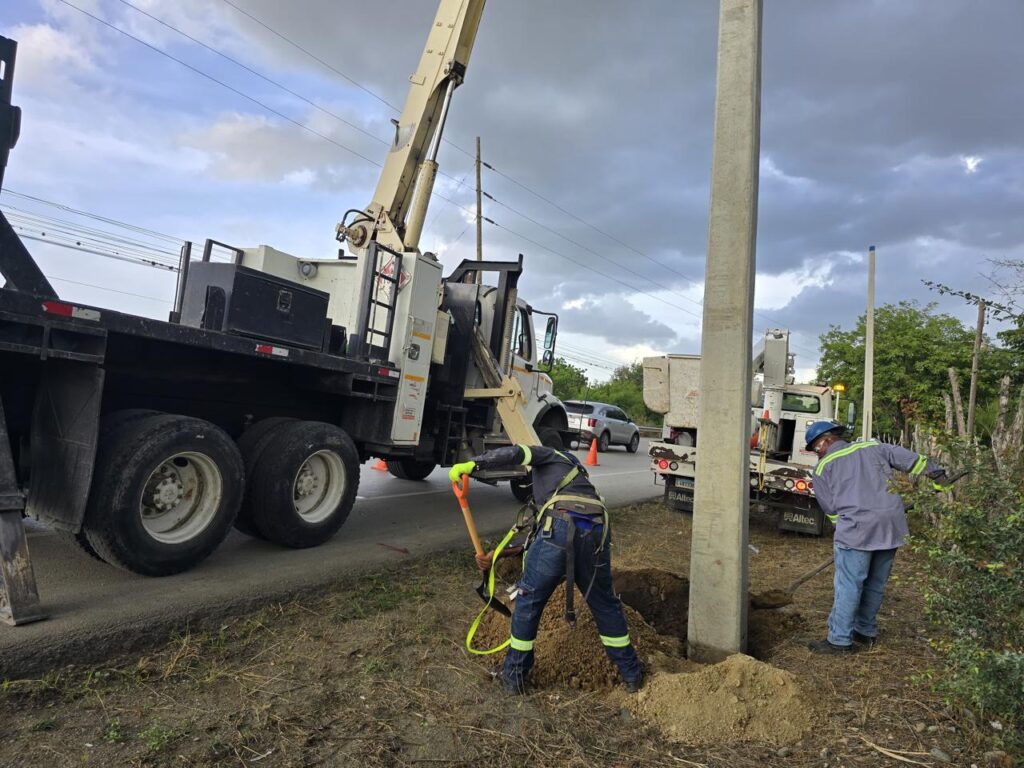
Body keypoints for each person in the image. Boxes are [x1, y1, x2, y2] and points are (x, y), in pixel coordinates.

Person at [449, 444, 643, 694]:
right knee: (605, 604)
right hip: (598, 530)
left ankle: (514, 677)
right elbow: (537, 538)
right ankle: (631, 674)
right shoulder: (578, 485)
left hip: (560, 526)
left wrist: (474, 464)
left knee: (528, 601)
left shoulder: (551, 455)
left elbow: (516, 453)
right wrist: (495, 555)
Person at [803, 421, 949, 654]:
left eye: (815, 448)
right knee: (875, 583)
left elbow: (830, 508)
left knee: (849, 585)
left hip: (857, 530)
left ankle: (839, 640)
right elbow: (909, 458)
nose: (817, 453)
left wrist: (844, 532)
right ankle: (865, 632)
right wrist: (935, 472)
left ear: (826, 441)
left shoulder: (823, 468)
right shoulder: (874, 447)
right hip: (891, 526)